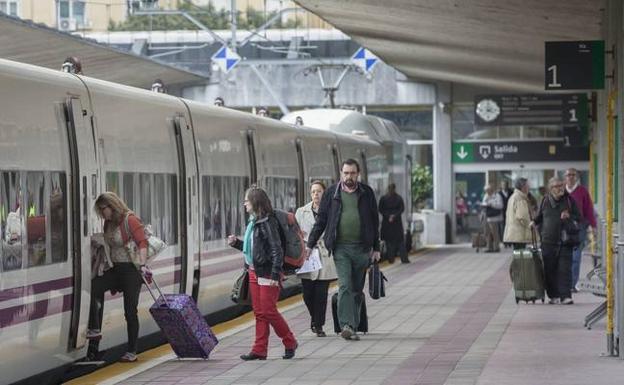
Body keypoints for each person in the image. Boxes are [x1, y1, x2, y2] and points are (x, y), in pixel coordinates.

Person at [306, 158, 381, 341]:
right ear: (341, 174)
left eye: (352, 173)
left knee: (356, 289)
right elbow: (321, 221)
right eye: (346, 173)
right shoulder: (332, 193)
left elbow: (374, 221)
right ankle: (346, 324)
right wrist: (310, 244)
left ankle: (353, 325)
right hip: (341, 249)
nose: (349, 176)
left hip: (362, 248)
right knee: (345, 285)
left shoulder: (367, 193)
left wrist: (376, 247)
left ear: (358, 174)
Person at [228, 186, 297, 360]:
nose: (244, 204)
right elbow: (256, 249)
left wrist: (275, 274)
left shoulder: (267, 222)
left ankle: (290, 341)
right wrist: (237, 243)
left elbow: (276, 249)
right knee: (259, 312)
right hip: (253, 271)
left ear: (255, 202)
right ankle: (259, 349)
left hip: (266, 273)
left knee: (268, 311)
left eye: (246, 200)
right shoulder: (254, 222)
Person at [87, 192, 150, 363]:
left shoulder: (130, 220)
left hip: (131, 270)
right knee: (95, 286)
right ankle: (94, 328)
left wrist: (142, 265)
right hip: (115, 269)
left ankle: (132, 351)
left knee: (130, 311)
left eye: (103, 209)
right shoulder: (108, 223)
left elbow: (142, 242)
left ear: (112, 206)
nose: (102, 213)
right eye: (100, 210)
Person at [295, 181, 338, 337]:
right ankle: (315, 318)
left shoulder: (332, 210)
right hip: (307, 256)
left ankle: (318, 325)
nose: (316, 195)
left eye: (319, 191)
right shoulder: (301, 212)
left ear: (324, 193)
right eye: (313, 192)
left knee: (321, 293)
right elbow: (294, 232)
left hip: (324, 255)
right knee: (307, 294)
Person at [532, 177, 580, 305]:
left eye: (561, 185)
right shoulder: (545, 201)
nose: (560, 188)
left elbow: (579, 217)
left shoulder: (569, 200)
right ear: (550, 189)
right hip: (548, 241)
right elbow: (539, 217)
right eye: (557, 186)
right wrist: (533, 222)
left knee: (565, 269)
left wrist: (569, 216)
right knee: (550, 270)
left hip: (565, 241)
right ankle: (553, 296)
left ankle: (565, 296)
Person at [564, 168, 596, 292]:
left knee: (576, 257)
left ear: (576, 176)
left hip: (579, 228)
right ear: (565, 177)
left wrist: (592, 225)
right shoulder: (562, 191)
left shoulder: (582, 191)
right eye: (568, 175)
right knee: (565, 257)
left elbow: (589, 209)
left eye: (572, 175)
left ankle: (572, 284)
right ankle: (565, 283)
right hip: (564, 229)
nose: (570, 177)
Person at [379, 183, 409, 263]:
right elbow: (401, 209)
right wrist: (394, 216)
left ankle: (391, 260)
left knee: (389, 243)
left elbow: (380, 209)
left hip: (387, 223)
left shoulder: (383, 198)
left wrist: (388, 216)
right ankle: (404, 259)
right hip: (396, 223)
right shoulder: (399, 198)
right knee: (400, 242)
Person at [503, 178, 533, 250]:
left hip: (514, 232)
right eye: (527, 185)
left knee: (517, 254)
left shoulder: (513, 196)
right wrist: (531, 225)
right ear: (523, 187)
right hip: (519, 233)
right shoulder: (520, 198)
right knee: (520, 256)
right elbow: (522, 216)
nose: (529, 187)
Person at [481, 184, 503, 252]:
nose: (487, 192)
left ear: (491, 190)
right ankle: (489, 247)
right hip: (486, 216)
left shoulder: (497, 196)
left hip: (494, 217)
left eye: (488, 190)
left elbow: (501, 206)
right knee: (487, 232)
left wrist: (491, 204)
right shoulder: (486, 196)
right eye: (486, 191)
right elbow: (483, 204)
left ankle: (496, 247)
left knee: (495, 233)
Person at [498, 180, 513, 247]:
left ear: (507, 185)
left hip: (510, 212)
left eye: (505, 185)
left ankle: (510, 242)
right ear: (501, 186)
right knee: (503, 228)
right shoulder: (499, 193)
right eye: (503, 185)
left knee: (510, 227)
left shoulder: (511, 192)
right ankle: (504, 242)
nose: (504, 186)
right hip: (502, 213)